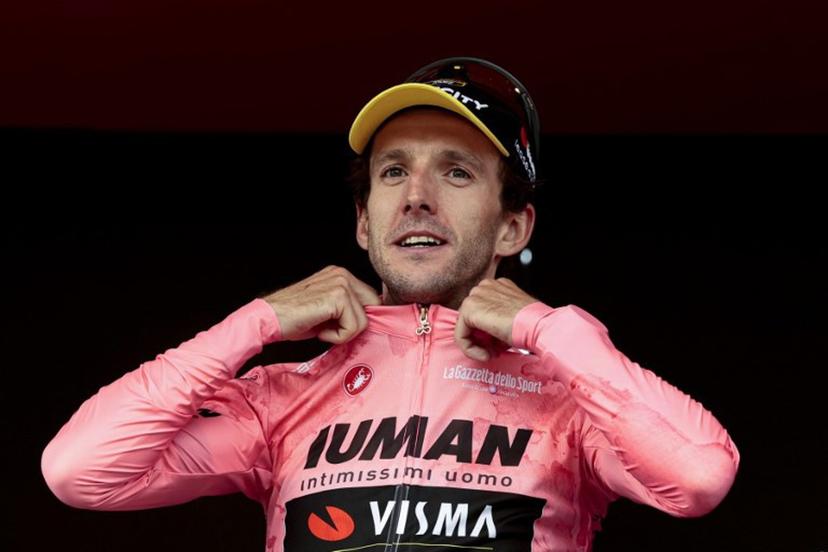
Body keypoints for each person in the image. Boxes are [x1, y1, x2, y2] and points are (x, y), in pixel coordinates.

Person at [41, 56, 740, 552]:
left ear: (512, 228)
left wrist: (547, 328)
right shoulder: (285, 397)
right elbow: (79, 471)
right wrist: (254, 323)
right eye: (394, 171)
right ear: (364, 223)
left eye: (456, 172)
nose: (416, 196)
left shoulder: (569, 397)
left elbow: (700, 477)